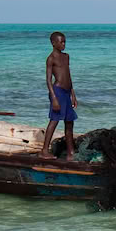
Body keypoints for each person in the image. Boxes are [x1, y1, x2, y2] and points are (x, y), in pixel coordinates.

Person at [40, 31, 77, 159]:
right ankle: (44, 150)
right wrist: (54, 98)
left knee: (69, 122)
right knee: (54, 120)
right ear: (53, 43)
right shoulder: (51, 58)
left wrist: (73, 94)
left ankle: (70, 152)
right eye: (61, 42)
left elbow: (69, 75)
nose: (63, 44)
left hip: (66, 93)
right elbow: (48, 80)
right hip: (57, 92)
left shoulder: (66, 56)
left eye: (65, 42)